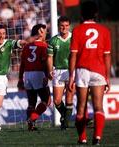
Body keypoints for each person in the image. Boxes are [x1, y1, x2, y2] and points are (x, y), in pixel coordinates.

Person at [68, 1, 111, 145]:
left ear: (82, 14)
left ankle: (82, 138)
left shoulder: (77, 30)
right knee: (98, 106)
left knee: (81, 107)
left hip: (82, 70)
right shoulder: (104, 30)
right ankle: (97, 137)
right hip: (98, 70)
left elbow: (73, 55)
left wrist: (71, 77)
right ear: (96, 14)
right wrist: (108, 77)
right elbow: (107, 56)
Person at [17, 24, 51, 131]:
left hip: (27, 74)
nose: (46, 33)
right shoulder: (44, 46)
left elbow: (22, 63)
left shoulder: (26, 46)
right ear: (40, 32)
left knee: (31, 102)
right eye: (44, 31)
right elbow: (45, 62)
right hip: (39, 74)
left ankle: (30, 125)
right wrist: (47, 75)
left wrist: (20, 79)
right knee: (46, 100)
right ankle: (32, 119)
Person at [47, 16, 75, 130]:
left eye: (66, 26)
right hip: (57, 71)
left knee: (69, 98)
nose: (64, 28)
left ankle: (65, 124)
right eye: (62, 26)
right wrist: (49, 70)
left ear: (69, 26)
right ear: (58, 26)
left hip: (71, 70)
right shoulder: (53, 40)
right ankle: (65, 116)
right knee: (57, 100)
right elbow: (49, 57)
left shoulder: (74, 38)